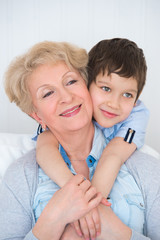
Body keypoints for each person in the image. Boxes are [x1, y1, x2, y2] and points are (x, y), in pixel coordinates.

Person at [0, 40, 160, 240]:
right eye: (48, 93)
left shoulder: (145, 168)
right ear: (37, 116)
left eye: (71, 82)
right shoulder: (21, 176)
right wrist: (53, 218)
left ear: (86, 84)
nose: (66, 97)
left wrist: (119, 233)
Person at [35, 38, 149, 237]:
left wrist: (88, 207)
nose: (114, 104)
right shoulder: (70, 115)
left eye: (128, 95)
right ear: (86, 83)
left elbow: (112, 156)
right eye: (106, 89)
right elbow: (45, 146)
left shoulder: (137, 115)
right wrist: (72, 191)